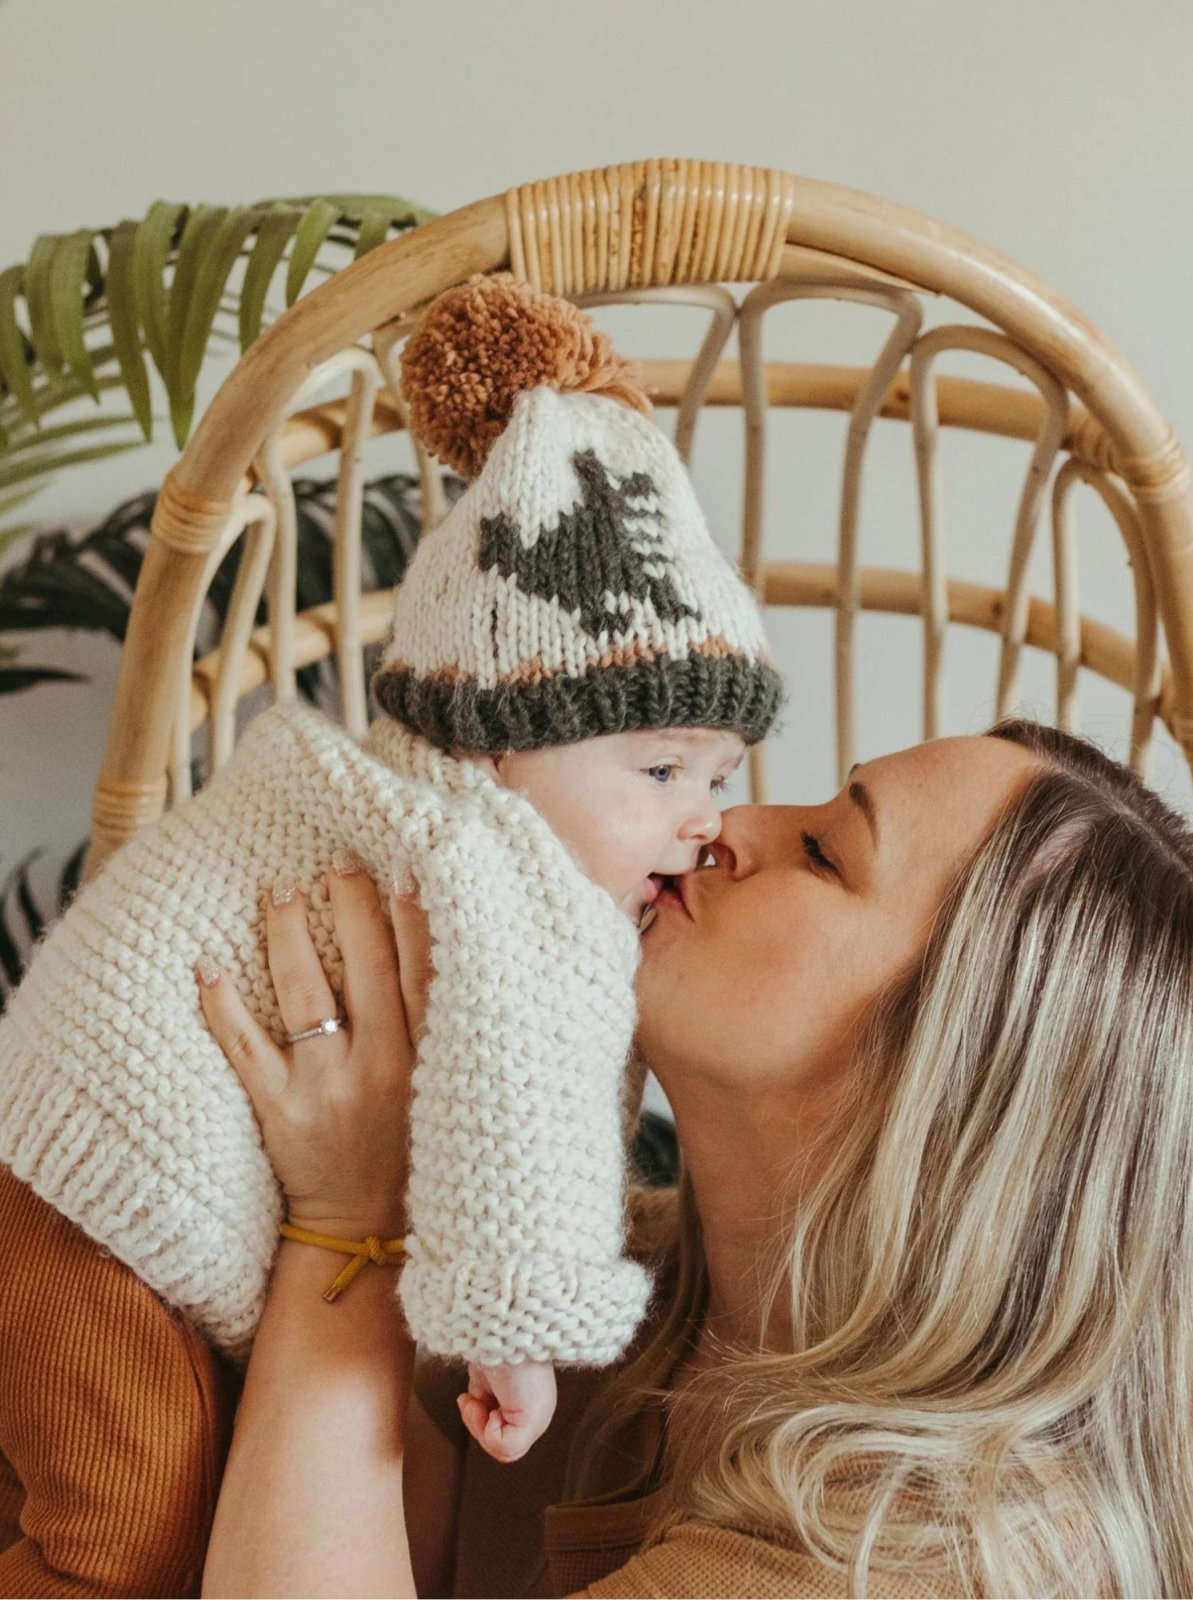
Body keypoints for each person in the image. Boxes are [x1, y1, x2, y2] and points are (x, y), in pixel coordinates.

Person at [0, 276, 780, 1593]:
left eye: (718, 774)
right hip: (92, 1186)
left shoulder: (428, 810)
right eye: (658, 773)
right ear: (494, 739)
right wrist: (515, 1336)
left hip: (85, 1163)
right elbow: (519, 1124)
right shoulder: (491, 868)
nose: (701, 821)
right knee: (124, 1531)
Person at [201, 719, 1193, 1599]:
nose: (725, 822)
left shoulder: (907, 1561)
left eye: (821, 850)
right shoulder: (632, 1298)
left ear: (951, 1077)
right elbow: (412, 1532)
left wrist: (348, 1218)